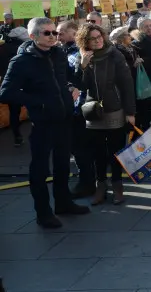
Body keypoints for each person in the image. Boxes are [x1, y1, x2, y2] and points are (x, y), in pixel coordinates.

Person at [0, 17, 90, 228]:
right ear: (33, 36)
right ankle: (43, 212)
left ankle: (63, 202)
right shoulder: (21, 61)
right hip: (42, 123)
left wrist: (70, 88)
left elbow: (64, 78)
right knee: (40, 170)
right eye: (47, 33)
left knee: (62, 165)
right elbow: (6, 92)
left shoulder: (59, 54)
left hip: (64, 119)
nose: (53, 37)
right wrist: (39, 103)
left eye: (55, 33)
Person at [74, 24, 136, 206]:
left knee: (116, 152)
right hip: (93, 111)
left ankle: (117, 186)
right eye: (93, 38)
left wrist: (130, 112)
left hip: (115, 109)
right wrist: (83, 66)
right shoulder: (84, 56)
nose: (98, 40)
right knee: (97, 152)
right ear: (86, 41)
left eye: (99, 36)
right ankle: (100, 186)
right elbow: (80, 86)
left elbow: (127, 84)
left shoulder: (114, 54)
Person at [58, 21, 95, 197]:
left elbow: (78, 80)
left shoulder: (77, 54)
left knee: (81, 148)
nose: (57, 36)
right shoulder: (62, 52)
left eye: (61, 32)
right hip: (75, 108)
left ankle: (87, 182)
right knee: (80, 148)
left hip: (81, 108)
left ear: (74, 33)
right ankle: (89, 180)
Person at [0, 26, 29, 147]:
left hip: (9, 84)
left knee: (14, 112)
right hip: (26, 84)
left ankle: (17, 136)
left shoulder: (2, 48)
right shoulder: (26, 48)